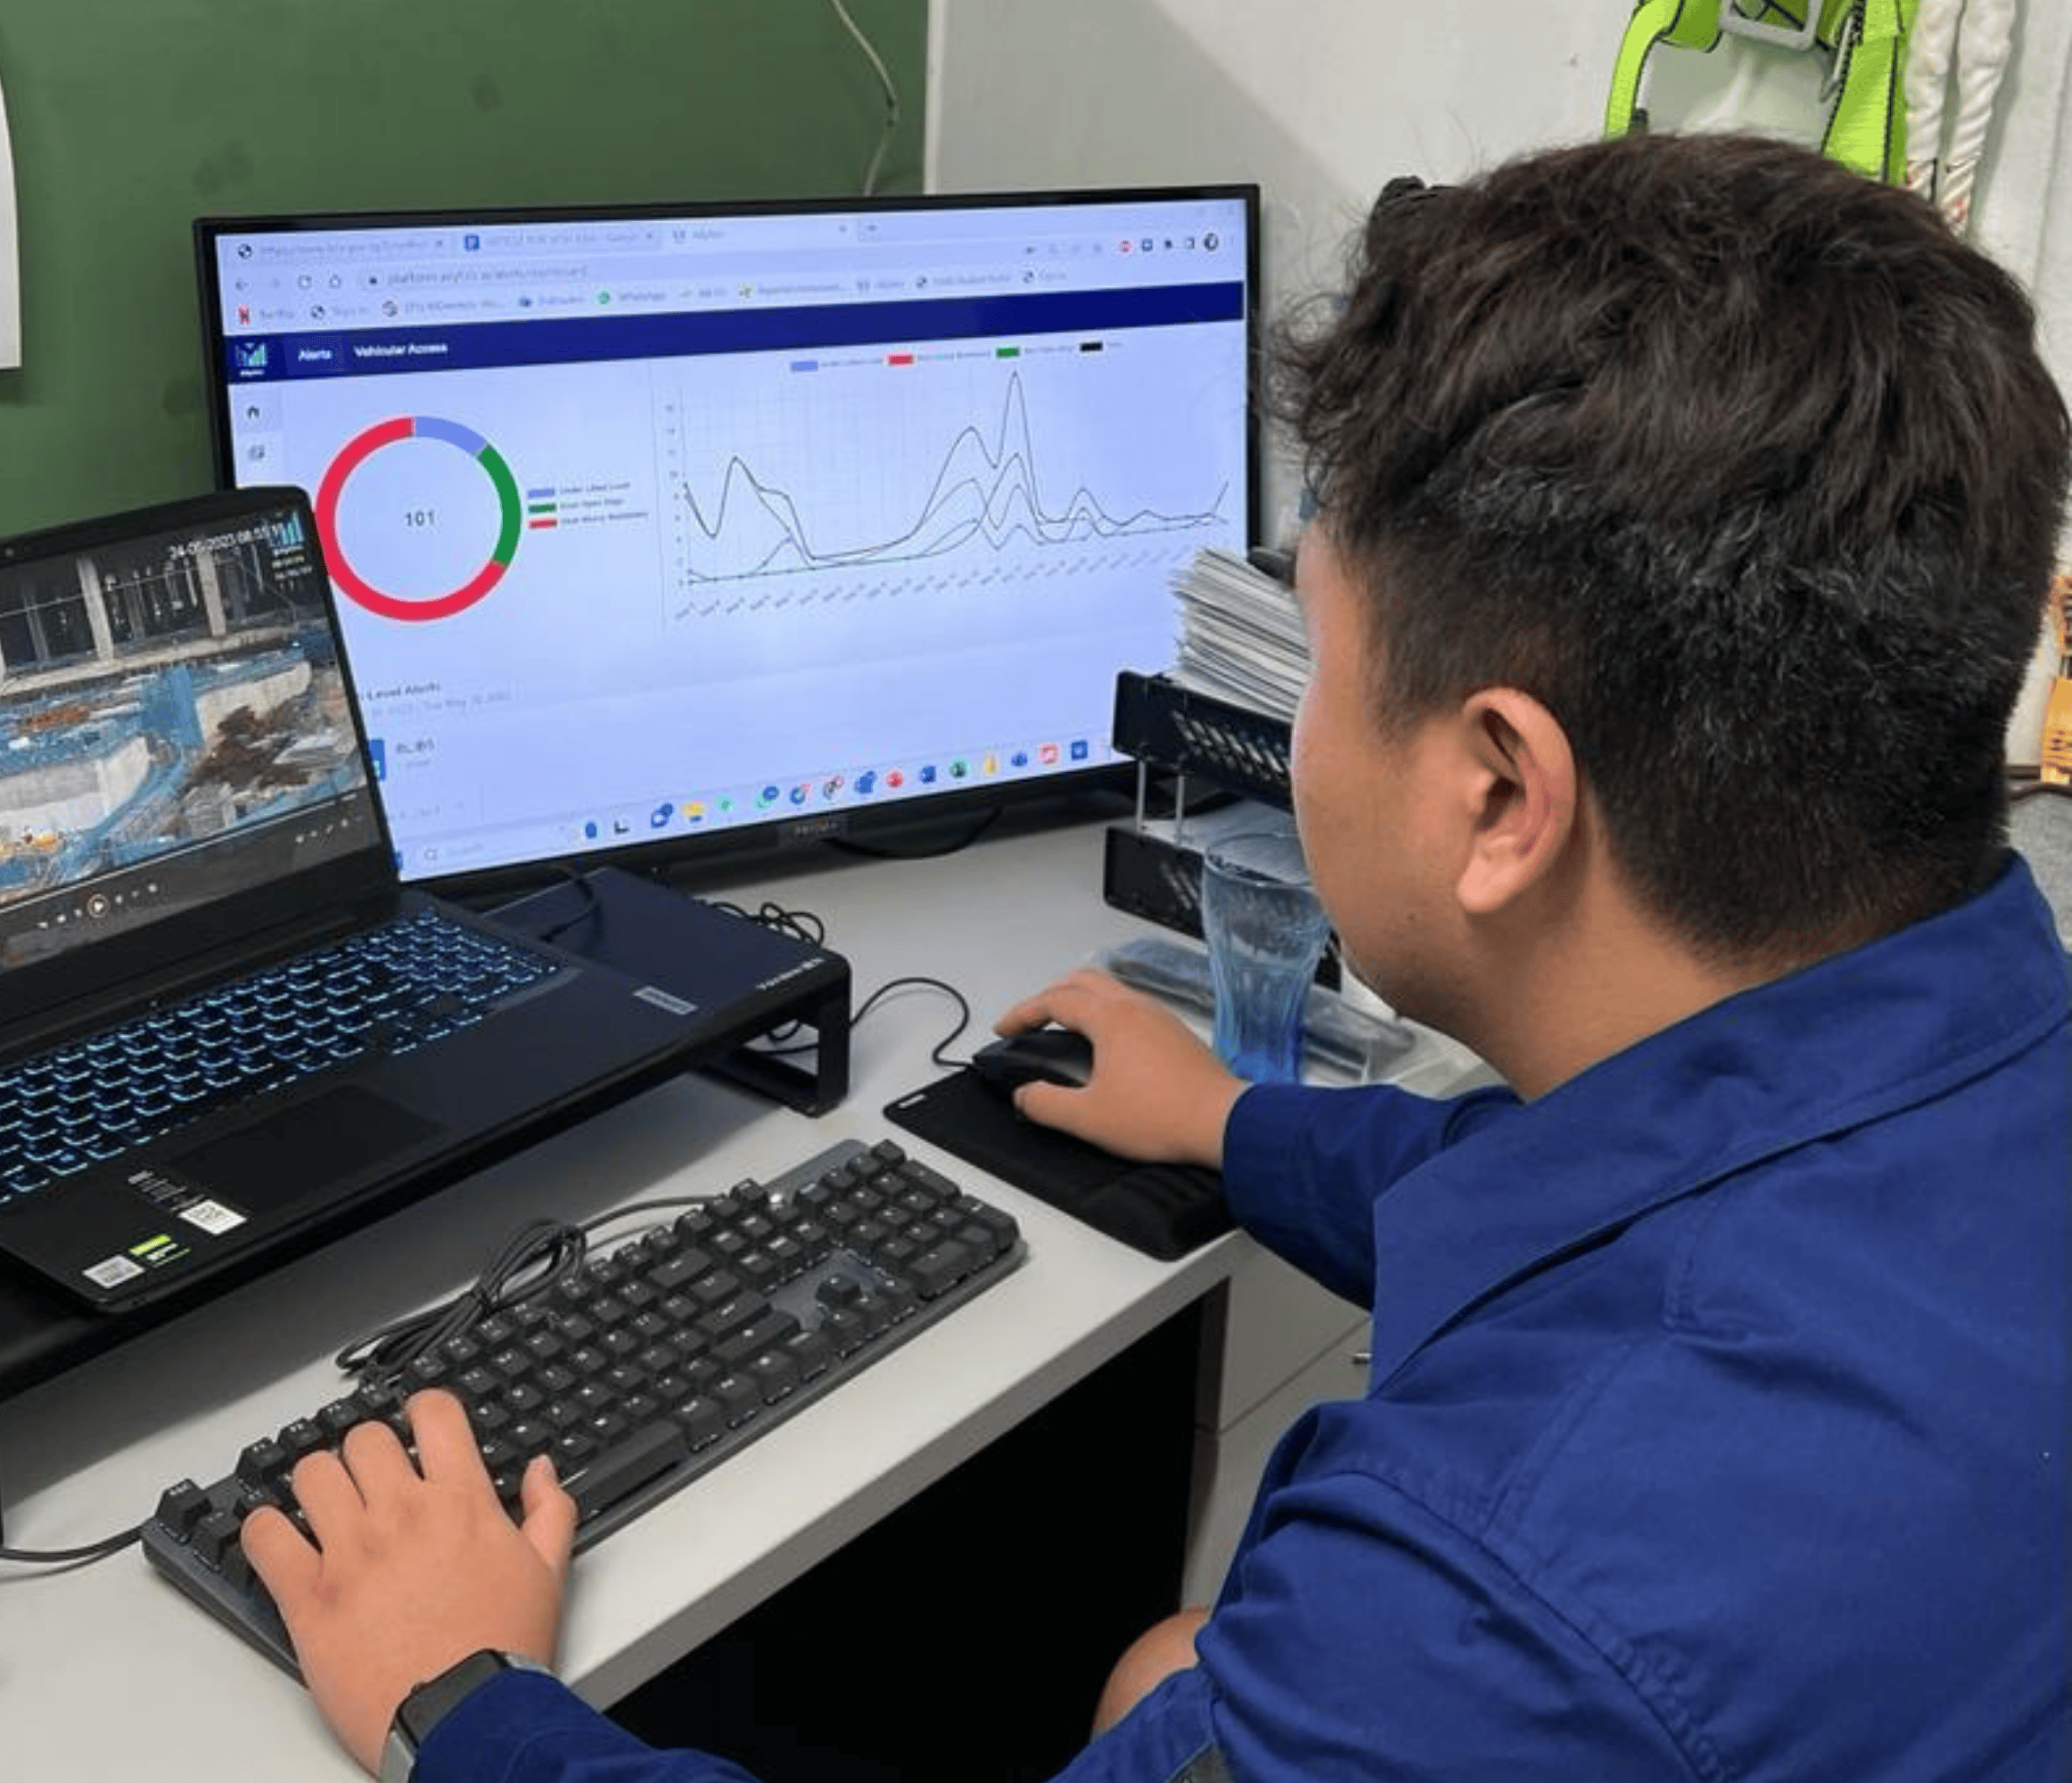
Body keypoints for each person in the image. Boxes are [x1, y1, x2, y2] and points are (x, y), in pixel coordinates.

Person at [239, 130, 2071, 1782]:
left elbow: (1518, 1603)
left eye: (1315, 640)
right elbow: (1634, 1185)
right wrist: (1234, 1124)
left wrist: (460, 1694)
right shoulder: (1968, 1036)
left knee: (1156, 1674)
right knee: (1162, 1666)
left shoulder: (1500, 1610)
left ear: (1499, 787)